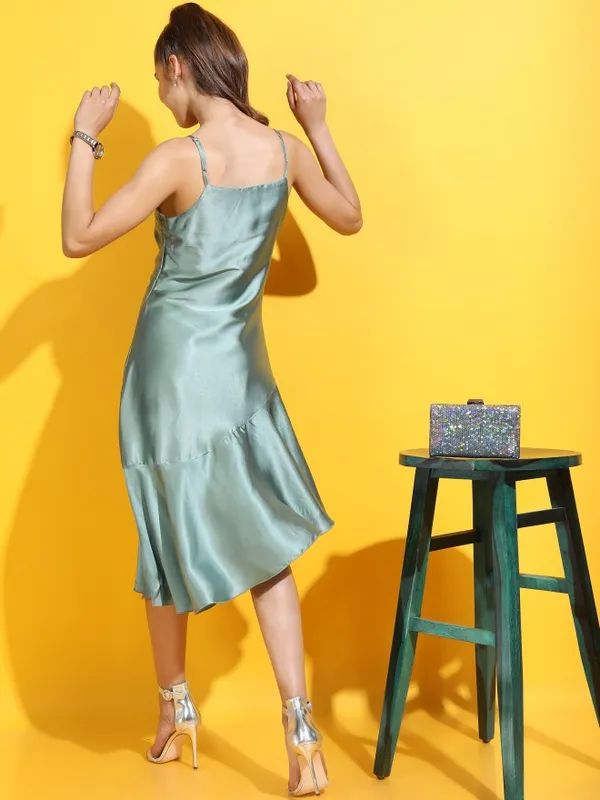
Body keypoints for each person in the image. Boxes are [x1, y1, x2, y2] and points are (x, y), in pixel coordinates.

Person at [61, 3, 362, 795]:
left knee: (165, 535)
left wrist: (84, 138)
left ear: (178, 66)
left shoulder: (179, 158)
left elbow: (79, 235)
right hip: (239, 369)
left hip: (168, 372)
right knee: (266, 547)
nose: (163, 99)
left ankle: (175, 710)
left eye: (160, 82)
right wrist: (318, 126)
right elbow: (350, 217)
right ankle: (301, 731)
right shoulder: (283, 150)